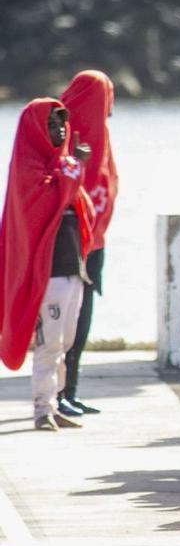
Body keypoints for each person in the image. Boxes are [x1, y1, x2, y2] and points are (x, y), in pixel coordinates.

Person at [0, 98, 92, 431]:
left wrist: (71, 166)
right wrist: (73, 166)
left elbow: (78, 208)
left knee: (65, 342)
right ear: (36, 130)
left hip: (72, 268)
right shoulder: (29, 168)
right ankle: (42, 409)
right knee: (49, 343)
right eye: (51, 124)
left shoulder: (62, 167)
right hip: (49, 273)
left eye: (61, 122)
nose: (60, 130)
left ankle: (57, 402)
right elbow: (49, 201)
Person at [58, 70, 118, 416]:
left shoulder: (101, 135)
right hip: (68, 242)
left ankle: (71, 390)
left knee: (83, 318)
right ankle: (57, 393)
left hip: (95, 242)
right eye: (107, 98)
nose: (111, 108)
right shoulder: (63, 132)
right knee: (65, 319)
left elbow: (107, 186)